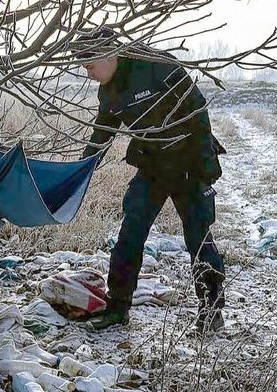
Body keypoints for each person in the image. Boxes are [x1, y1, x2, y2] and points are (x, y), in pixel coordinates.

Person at [71, 27, 226, 334]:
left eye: (90, 66)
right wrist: (79, 171)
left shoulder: (156, 65)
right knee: (130, 232)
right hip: (152, 166)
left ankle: (211, 310)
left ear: (108, 53)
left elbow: (198, 109)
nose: (88, 73)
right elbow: (102, 135)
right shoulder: (109, 91)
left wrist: (205, 166)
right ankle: (117, 307)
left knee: (198, 237)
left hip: (188, 163)